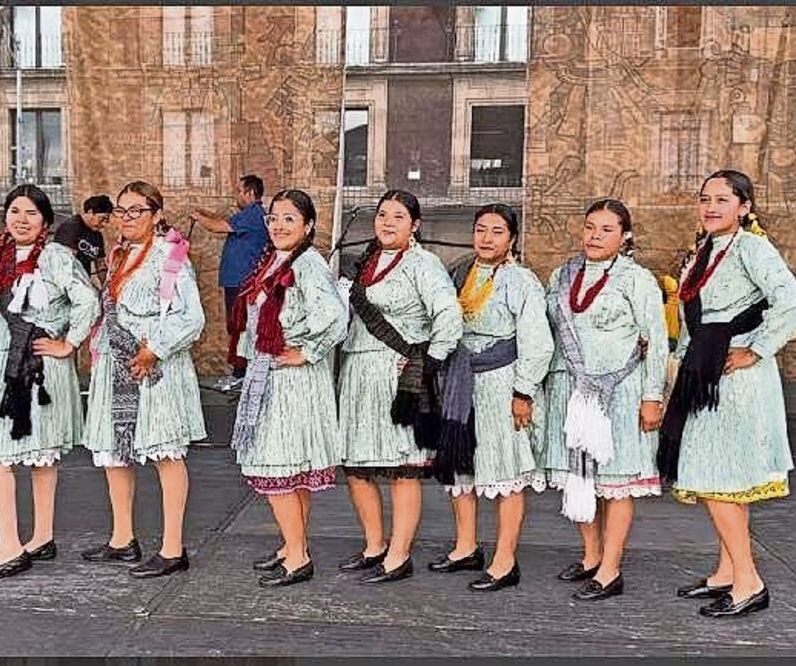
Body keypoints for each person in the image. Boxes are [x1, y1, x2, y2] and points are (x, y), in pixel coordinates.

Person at [659, 170, 796, 618]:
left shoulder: (753, 248)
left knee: (720, 479)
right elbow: (693, 323)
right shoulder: (703, 252)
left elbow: (793, 302)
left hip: (736, 384)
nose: (711, 207)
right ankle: (726, 570)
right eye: (705, 199)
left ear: (744, 207)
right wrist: (677, 377)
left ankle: (749, 581)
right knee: (719, 482)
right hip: (701, 376)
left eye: (723, 200)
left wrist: (756, 350)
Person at [0, 184, 99, 582]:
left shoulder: (57, 257)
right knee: (5, 454)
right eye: (15, 211)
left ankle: (15, 547)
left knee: (10, 454)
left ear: (46, 223)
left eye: (31, 214)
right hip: (5, 363)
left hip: (39, 366)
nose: (21, 219)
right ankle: (39, 538)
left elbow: (87, 301)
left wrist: (68, 343)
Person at [543, 199, 667, 601]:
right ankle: (591, 555)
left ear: (625, 235)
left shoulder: (637, 279)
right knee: (581, 477)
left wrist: (652, 397)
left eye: (606, 229)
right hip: (572, 390)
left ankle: (611, 569)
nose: (595, 236)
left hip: (622, 392)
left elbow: (658, 341)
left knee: (617, 482)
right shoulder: (564, 275)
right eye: (590, 227)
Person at [81, 181, 206, 579]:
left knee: (166, 453)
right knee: (114, 452)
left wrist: (154, 349)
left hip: (154, 369)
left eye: (137, 210)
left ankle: (173, 548)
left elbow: (190, 317)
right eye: (122, 210)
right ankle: (122, 539)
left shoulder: (170, 258)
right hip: (116, 365)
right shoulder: (120, 254)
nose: (127, 218)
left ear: (156, 215)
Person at [337, 189, 463, 584]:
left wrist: (428, 361)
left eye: (397, 216)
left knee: (401, 468)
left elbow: (448, 314)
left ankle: (399, 555)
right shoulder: (366, 263)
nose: (387, 222)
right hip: (358, 373)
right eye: (382, 214)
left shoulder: (423, 265)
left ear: (415, 225)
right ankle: (374, 544)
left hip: (397, 378)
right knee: (358, 466)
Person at [430, 204, 554, 592]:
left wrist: (524, 391)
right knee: (460, 468)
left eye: (497, 231)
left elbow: (537, 342)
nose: (486, 238)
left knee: (507, 471)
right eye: (481, 229)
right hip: (461, 383)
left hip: (502, 383)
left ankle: (505, 560)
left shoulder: (521, 281)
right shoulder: (461, 273)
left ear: (512, 238)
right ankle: (466, 547)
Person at [228, 189, 347, 588]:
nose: (278, 225)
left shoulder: (308, 265)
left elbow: (333, 317)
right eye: (274, 218)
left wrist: (306, 351)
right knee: (291, 471)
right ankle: (290, 545)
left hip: (291, 381)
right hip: (273, 372)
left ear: (308, 226)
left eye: (289, 219)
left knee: (277, 465)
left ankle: (298, 557)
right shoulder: (274, 260)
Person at [190, 174, 268, 391]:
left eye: (239, 191)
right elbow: (221, 220)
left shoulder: (253, 215)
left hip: (242, 283)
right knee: (237, 328)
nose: (236, 196)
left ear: (250, 193)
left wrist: (198, 218)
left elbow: (217, 227)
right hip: (237, 282)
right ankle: (242, 372)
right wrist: (205, 214)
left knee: (240, 329)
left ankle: (241, 374)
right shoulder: (248, 215)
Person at [54, 194, 112, 289]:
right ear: (90, 212)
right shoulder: (70, 228)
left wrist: (106, 289)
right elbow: (66, 264)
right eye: (102, 219)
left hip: (82, 284)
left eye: (107, 220)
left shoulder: (97, 235)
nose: (104, 224)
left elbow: (100, 264)